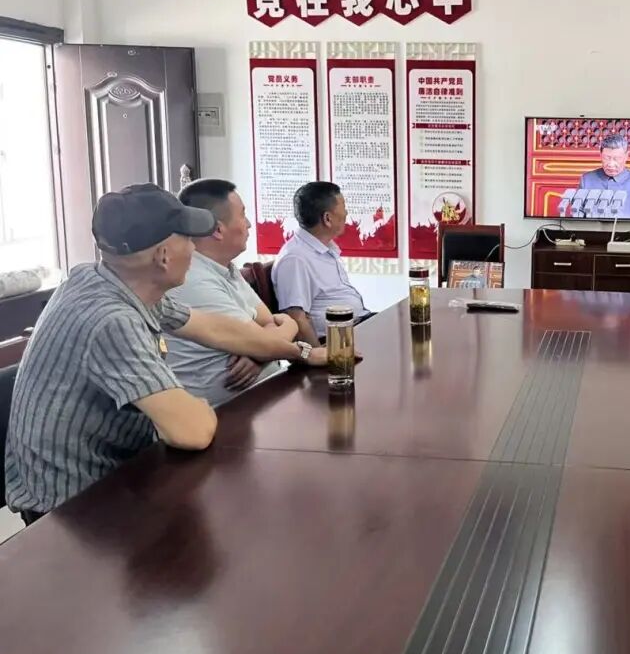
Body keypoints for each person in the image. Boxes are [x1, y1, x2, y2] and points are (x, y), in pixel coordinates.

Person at [4, 184, 325, 525]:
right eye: (187, 239)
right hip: (72, 508)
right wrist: (195, 402)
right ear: (163, 256)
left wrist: (301, 351)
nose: (194, 249)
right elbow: (193, 431)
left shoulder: (109, 281)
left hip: (118, 477)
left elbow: (218, 329)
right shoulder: (112, 320)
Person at [168, 179, 290, 405]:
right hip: (226, 413)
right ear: (217, 230)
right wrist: (271, 343)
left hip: (264, 395)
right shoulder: (193, 278)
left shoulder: (225, 268)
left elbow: (268, 325)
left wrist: (261, 353)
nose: (249, 224)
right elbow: (267, 340)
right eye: (243, 215)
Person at [272, 182, 372, 346]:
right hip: (336, 341)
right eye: (343, 207)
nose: (346, 213)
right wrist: (321, 356)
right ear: (327, 218)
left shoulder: (325, 248)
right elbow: (297, 319)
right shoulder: (295, 258)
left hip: (356, 326)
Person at [578, 134, 630, 219]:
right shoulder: (586, 179)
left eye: (617, 158)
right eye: (607, 158)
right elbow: (578, 213)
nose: (611, 164)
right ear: (600, 155)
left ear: (626, 156)